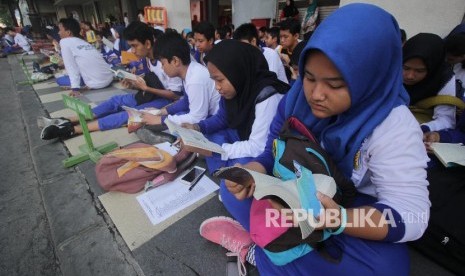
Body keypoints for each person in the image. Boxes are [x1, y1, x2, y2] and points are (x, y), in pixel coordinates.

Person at [199, 4, 430, 275]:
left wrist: (338, 219)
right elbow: (272, 151)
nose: (316, 95)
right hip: (292, 190)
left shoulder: (393, 125)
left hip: (348, 208)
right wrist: (255, 172)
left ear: (371, 77)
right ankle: (271, 251)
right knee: (232, 187)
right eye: (308, 77)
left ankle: (259, 249)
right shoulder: (296, 98)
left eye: (335, 85)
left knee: (388, 267)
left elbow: (413, 215)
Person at [40, 22, 182, 140]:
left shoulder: (167, 60)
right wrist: (135, 85)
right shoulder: (147, 58)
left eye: (134, 46)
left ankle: (73, 129)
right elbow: (152, 82)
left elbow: (176, 95)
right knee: (116, 101)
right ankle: (69, 119)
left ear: (148, 43)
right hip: (151, 94)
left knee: (130, 114)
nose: (132, 51)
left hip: (165, 101)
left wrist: (146, 89)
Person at [182, 40, 289, 173]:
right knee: (210, 136)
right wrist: (197, 127)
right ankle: (223, 168)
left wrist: (215, 150)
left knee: (240, 165)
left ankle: (224, 170)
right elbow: (222, 118)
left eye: (219, 80)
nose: (217, 87)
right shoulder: (236, 86)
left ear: (237, 72)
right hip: (242, 135)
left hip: (265, 150)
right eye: (214, 80)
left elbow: (259, 147)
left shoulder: (267, 96)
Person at [140, 32, 220, 127]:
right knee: (176, 117)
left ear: (175, 61)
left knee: (176, 125)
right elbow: (186, 101)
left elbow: (197, 118)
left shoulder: (195, 79)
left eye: (163, 63)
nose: (162, 68)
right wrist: (161, 112)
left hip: (215, 120)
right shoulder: (190, 70)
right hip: (208, 115)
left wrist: (160, 120)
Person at [403, 33, 457, 132]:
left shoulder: (443, 77)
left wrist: (423, 128)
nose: (410, 76)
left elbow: (447, 120)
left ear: (433, 69)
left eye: (419, 71)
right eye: (406, 68)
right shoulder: (390, 69)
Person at [55, 18, 113, 94]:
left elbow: (71, 67)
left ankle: (83, 84)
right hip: (109, 78)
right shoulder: (82, 41)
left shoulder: (64, 41)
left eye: (60, 30)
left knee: (59, 79)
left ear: (68, 32)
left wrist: (75, 88)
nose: (58, 33)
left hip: (97, 83)